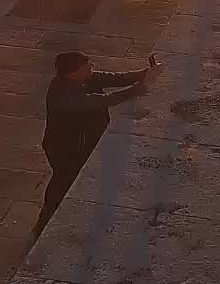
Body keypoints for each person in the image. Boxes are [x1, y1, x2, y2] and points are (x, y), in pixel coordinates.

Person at [32, 50, 158, 241]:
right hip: (64, 147)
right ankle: (44, 222)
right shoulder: (63, 94)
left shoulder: (84, 78)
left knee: (68, 179)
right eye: (87, 66)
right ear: (73, 73)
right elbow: (102, 101)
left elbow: (114, 78)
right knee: (63, 180)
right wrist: (138, 89)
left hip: (80, 142)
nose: (92, 68)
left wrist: (145, 74)